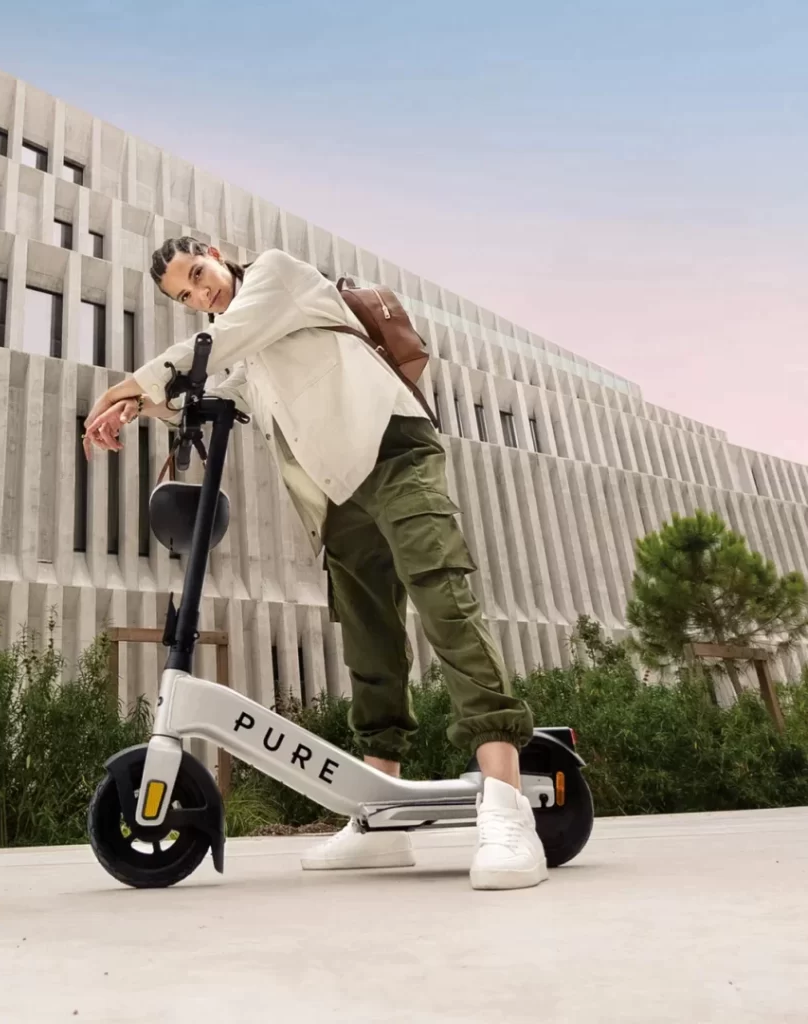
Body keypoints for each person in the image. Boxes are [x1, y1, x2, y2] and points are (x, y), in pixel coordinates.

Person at [83, 237, 547, 890]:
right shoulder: (235, 343)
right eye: (185, 297)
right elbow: (208, 384)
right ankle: (380, 813)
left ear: (217, 254)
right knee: (368, 637)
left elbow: (216, 348)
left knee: (442, 598)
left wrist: (131, 381)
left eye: (197, 276)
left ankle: (506, 804)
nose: (199, 295)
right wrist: (138, 406)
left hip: (394, 452)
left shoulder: (277, 276)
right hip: (338, 496)